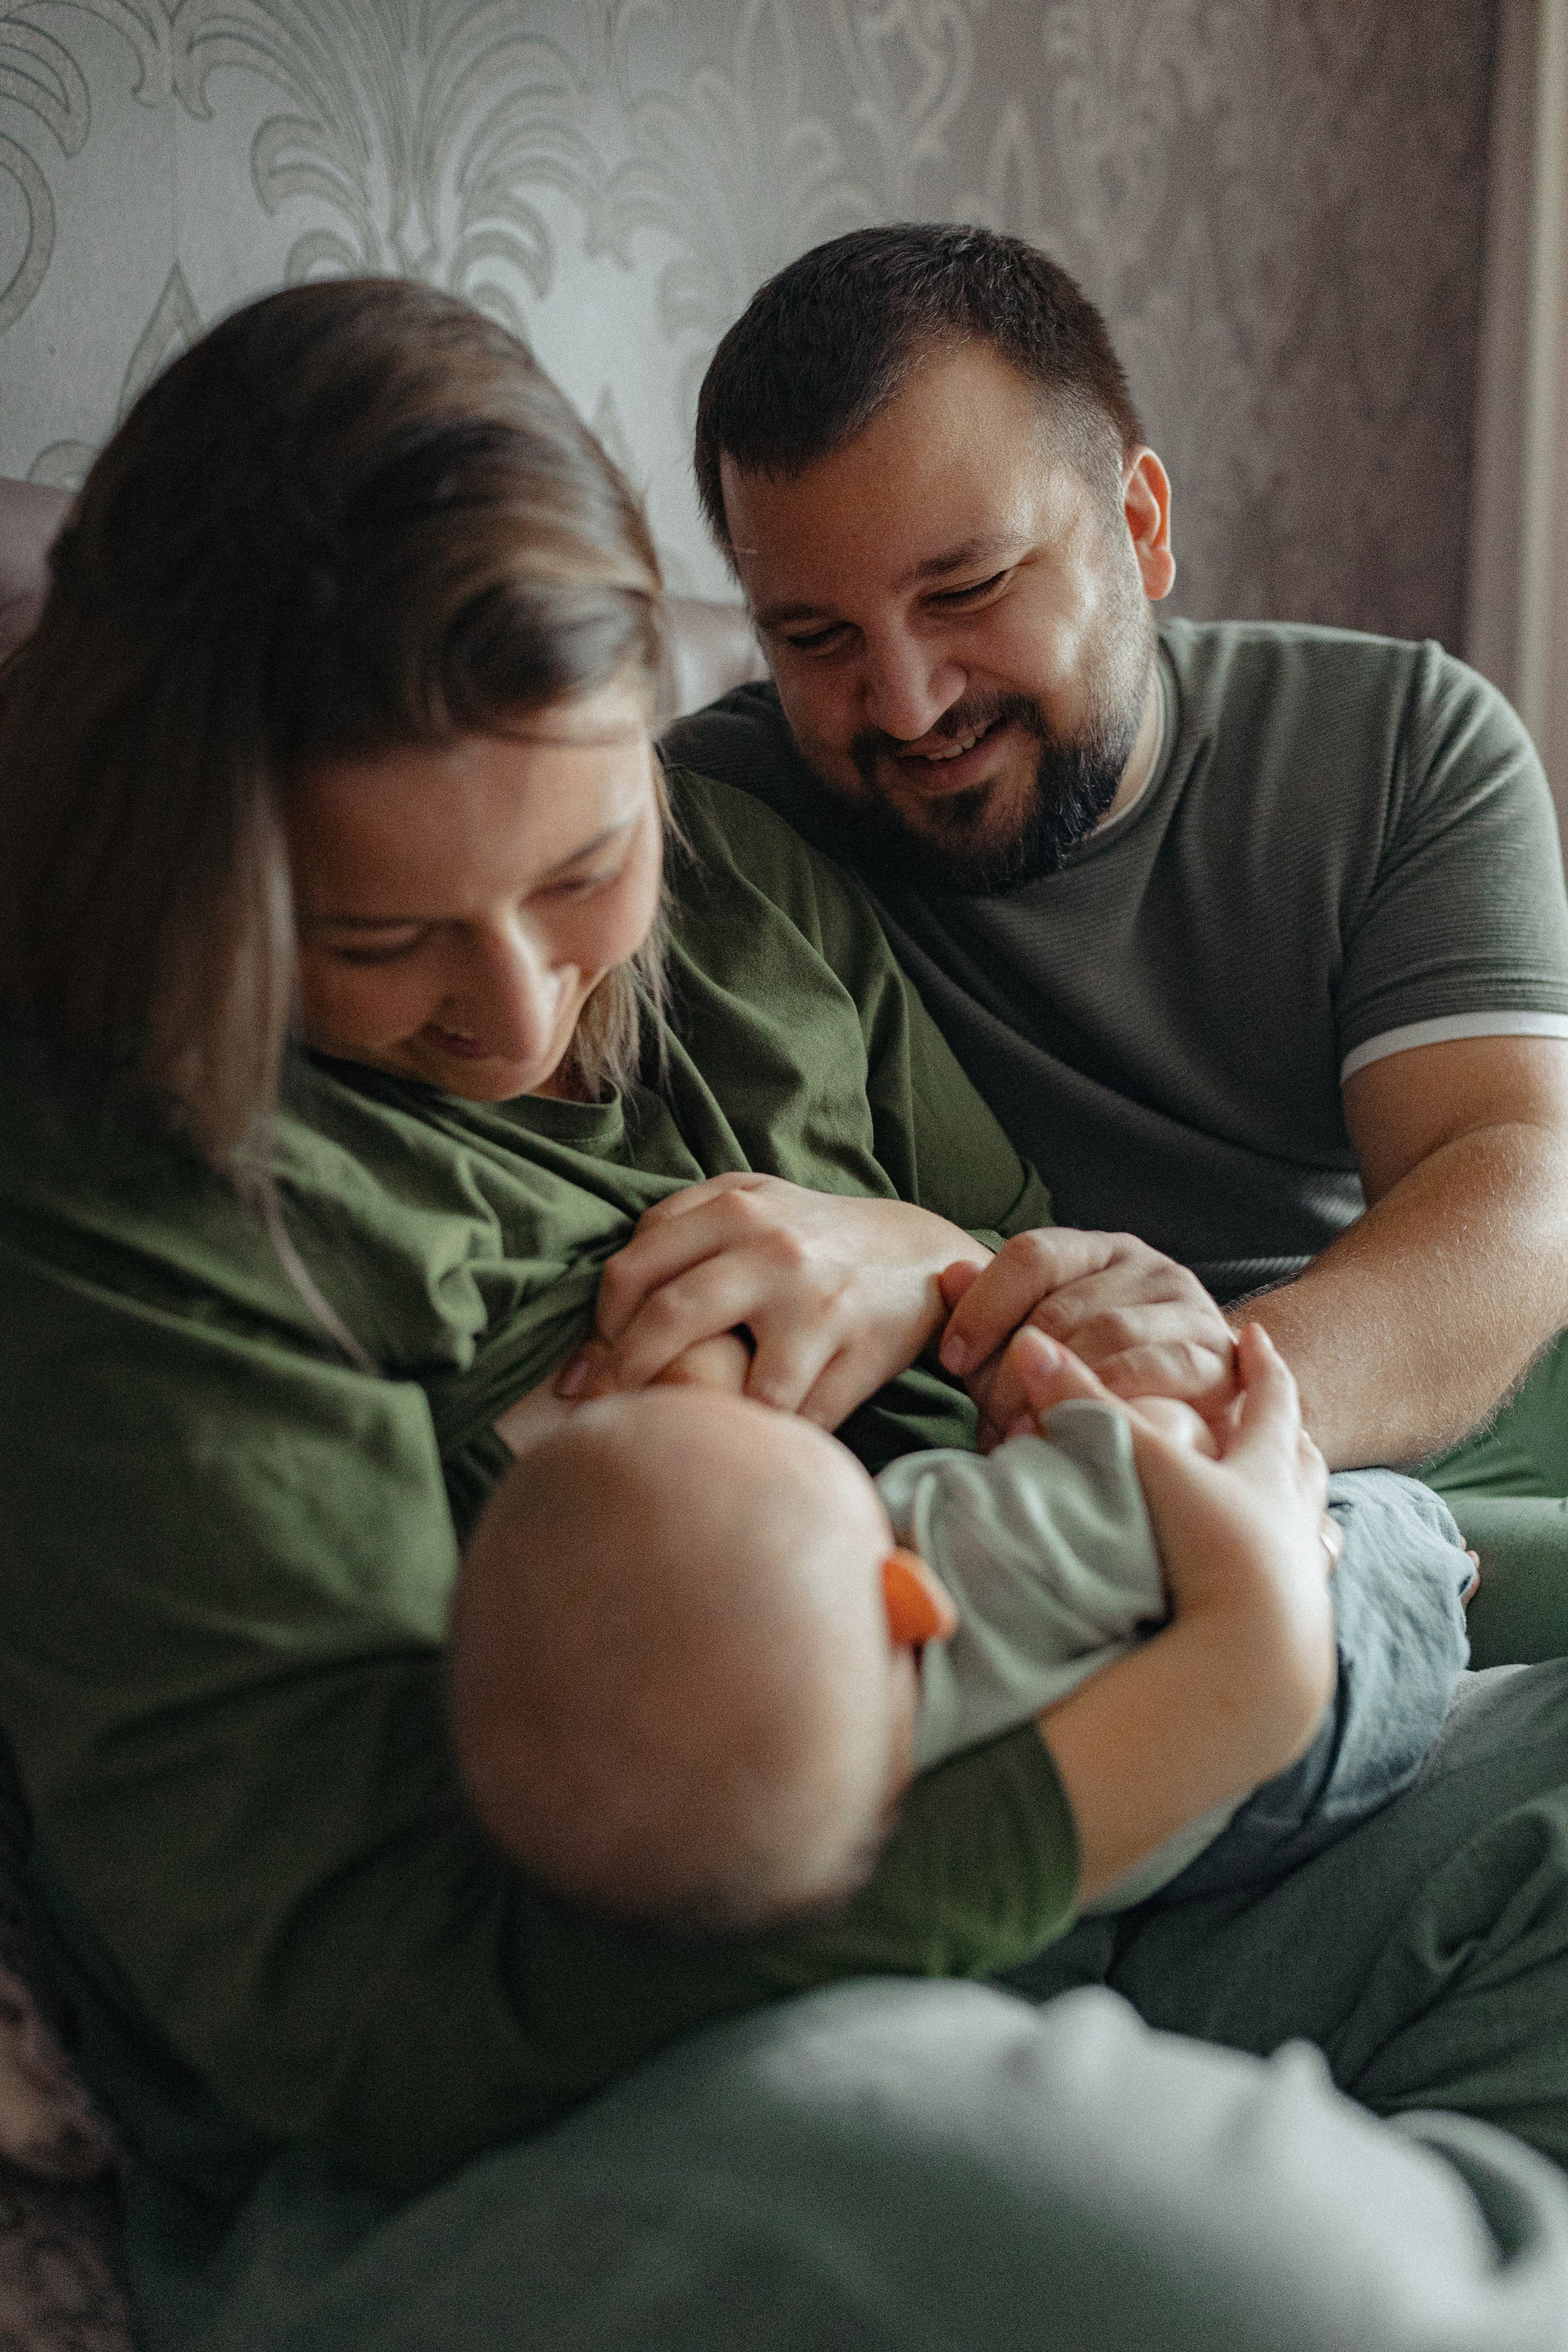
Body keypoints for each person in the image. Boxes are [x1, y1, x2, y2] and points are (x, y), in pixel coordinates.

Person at [4, 277, 1568, 2352]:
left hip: (1105, 1862)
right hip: (558, 2078)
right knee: (1310, 2291)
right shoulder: (131, 1191)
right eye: (374, 941)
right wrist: (1153, 1744)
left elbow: (1043, 1289)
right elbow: (382, 2020)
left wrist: (953, 1274)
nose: (517, 1005)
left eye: (581, 872)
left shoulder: (746, 881)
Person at [659, 222, 1568, 1610]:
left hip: (1407, 1413)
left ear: (1139, 526)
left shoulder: (1399, 741)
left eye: (963, 590)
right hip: (1045, 1504)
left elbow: (1511, 1181)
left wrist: (1202, 1390)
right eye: (815, 639)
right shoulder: (711, 828)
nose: (903, 704)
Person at [450, 1341, 1472, 1934]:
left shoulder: (763, 1818)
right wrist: (1095, 1417)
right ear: (911, 1602)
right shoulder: (979, 1553)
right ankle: (1452, 1566)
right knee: (1388, 1527)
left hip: (1093, 1900)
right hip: (1291, 1764)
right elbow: (1162, 1452)